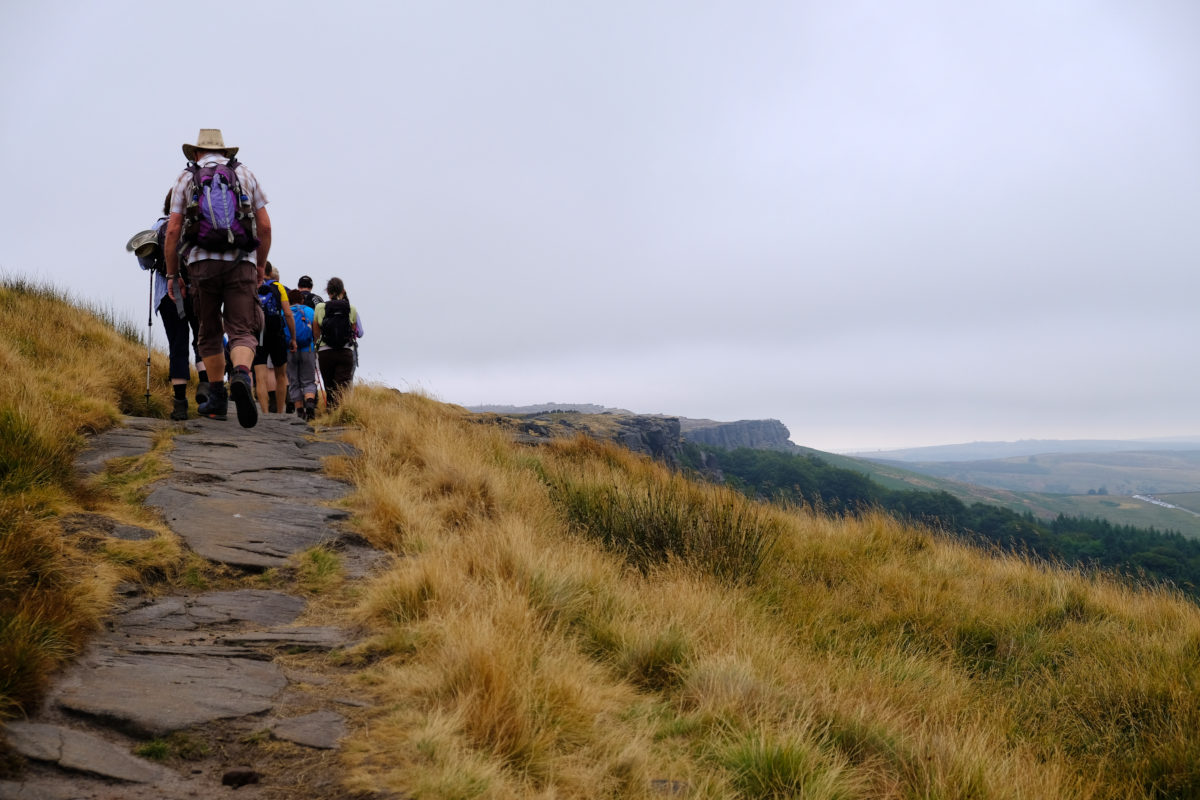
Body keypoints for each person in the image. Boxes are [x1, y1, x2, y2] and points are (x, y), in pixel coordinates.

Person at [164, 129, 271, 428]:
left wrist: (173, 274)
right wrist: (260, 265)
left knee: (209, 331)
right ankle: (240, 373)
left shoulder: (186, 178)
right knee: (242, 328)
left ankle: (217, 399)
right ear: (226, 152)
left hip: (201, 265)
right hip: (242, 262)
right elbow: (264, 226)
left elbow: (173, 230)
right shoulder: (245, 174)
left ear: (196, 153)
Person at [128, 196, 211, 420]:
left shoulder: (159, 226)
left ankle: (180, 404)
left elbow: (145, 263)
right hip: (199, 291)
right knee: (202, 338)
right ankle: (205, 386)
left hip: (168, 293)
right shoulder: (200, 224)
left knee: (178, 343)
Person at [313, 276, 363, 411]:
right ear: (342, 291)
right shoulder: (351, 308)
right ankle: (340, 413)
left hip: (325, 352)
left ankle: (330, 411)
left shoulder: (319, 307)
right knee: (342, 386)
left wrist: (319, 344)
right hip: (345, 351)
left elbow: (316, 330)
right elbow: (353, 331)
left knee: (329, 385)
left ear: (327, 292)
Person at [253, 263, 297, 415]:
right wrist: (293, 338)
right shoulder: (279, 287)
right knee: (281, 375)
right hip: (276, 332)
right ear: (270, 272)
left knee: (260, 377)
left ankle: (264, 413)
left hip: (258, 333)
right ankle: (279, 413)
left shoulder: (252, 286)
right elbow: (288, 314)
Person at [286, 288, 319, 421]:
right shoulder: (309, 311)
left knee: (294, 381)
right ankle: (310, 405)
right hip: (308, 349)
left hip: (290, 350)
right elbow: (316, 330)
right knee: (308, 380)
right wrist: (315, 344)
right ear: (302, 299)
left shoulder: (285, 312)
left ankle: (299, 411)